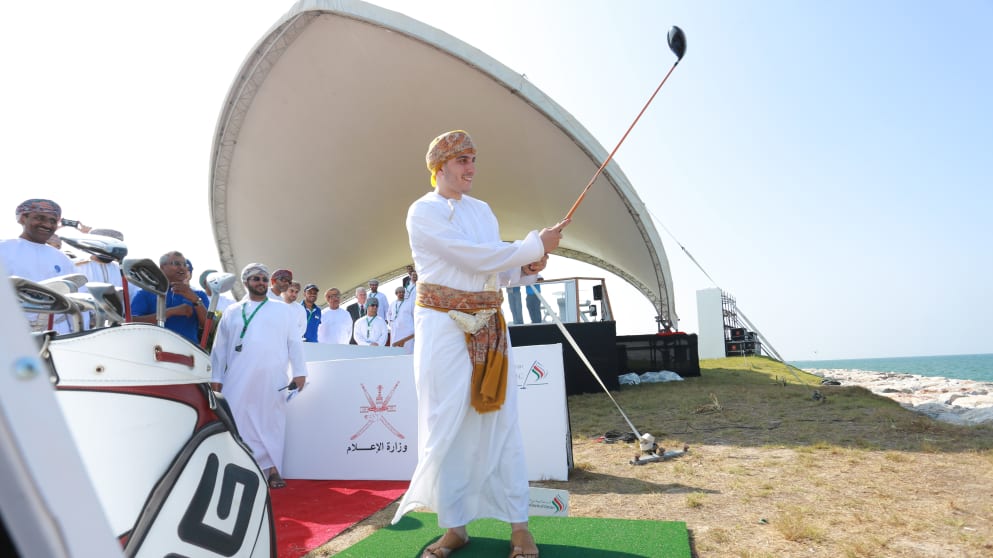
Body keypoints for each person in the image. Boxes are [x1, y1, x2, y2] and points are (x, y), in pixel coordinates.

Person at [391, 130, 568, 558]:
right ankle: (454, 527)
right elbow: (468, 257)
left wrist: (527, 264)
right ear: (439, 166)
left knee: (501, 422)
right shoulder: (423, 211)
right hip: (440, 327)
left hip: (489, 326)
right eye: (462, 160)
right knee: (445, 423)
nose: (471, 168)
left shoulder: (483, 210)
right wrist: (528, 246)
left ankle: (519, 527)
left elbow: (492, 268)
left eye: (473, 159)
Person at [210, 263, 307, 490]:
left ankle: (273, 471)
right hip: (237, 376)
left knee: (270, 422)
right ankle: (242, 468)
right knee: (238, 420)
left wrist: (300, 372)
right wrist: (216, 378)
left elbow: (294, 343)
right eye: (256, 279)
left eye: (264, 279)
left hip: (272, 376)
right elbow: (219, 348)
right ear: (246, 282)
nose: (261, 283)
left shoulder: (281, 310)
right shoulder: (233, 311)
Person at [1, 199, 77, 333]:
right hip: (12, 332)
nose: (47, 224)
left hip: (58, 333)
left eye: (53, 221)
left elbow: (76, 299)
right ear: (23, 218)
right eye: (39, 218)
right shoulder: (4, 249)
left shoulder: (63, 259)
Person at [130, 251, 209, 343]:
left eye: (185, 265)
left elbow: (209, 328)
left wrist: (195, 300)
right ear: (162, 267)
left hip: (188, 353)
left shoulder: (199, 295)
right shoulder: (146, 293)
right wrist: (170, 312)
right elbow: (132, 322)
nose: (182, 268)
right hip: (154, 352)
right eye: (176, 264)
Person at [387, 285, 414, 353]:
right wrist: (390, 322)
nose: (401, 294)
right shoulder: (393, 303)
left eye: (402, 292)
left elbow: (414, 315)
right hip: (396, 330)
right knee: (395, 349)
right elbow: (388, 314)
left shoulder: (409, 303)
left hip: (407, 330)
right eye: (399, 292)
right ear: (396, 294)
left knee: (408, 347)